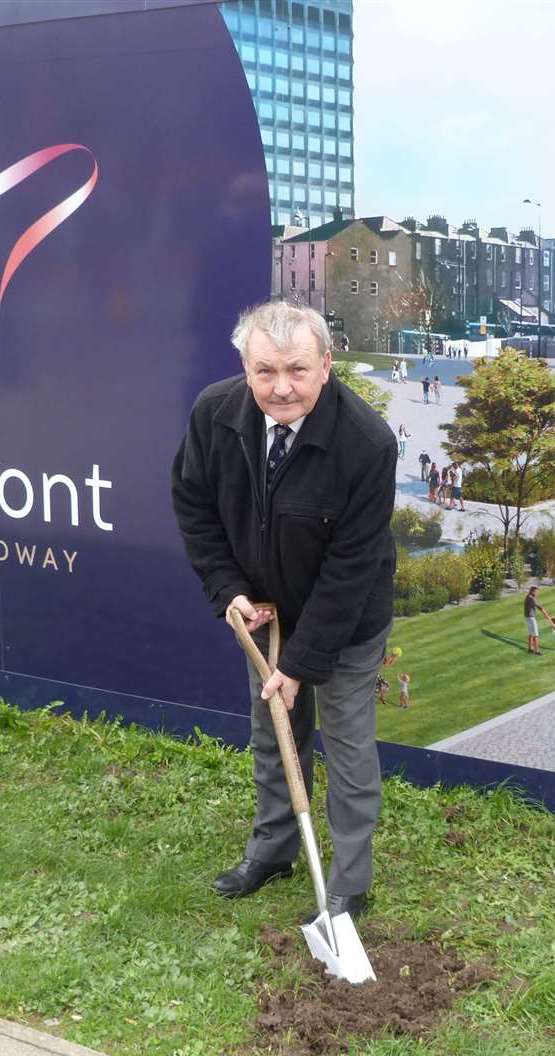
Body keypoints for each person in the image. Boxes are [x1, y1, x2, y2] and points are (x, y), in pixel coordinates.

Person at [171, 300, 395, 922]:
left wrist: (299, 665)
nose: (281, 387)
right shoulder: (214, 414)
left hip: (344, 621)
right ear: (244, 366)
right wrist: (227, 589)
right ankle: (273, 850)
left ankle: (349, 883)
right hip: (266, 613)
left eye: (297, 369)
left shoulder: (366, 444)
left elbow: (350, 571)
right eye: (265, 371)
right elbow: (194, 505)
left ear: (326, 364)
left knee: (347, 750)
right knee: (275, 736)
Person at [523, 586, 549, 655]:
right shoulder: (531, 599)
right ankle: (537, 651)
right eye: (537, 592)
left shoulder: (527, 597)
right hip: (531, 618)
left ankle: (530, 649)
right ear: (533, 591)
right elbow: (541, 608)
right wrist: (547, 617)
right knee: (536, 635)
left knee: (531, 634)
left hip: (527, 618)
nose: (538, 593)